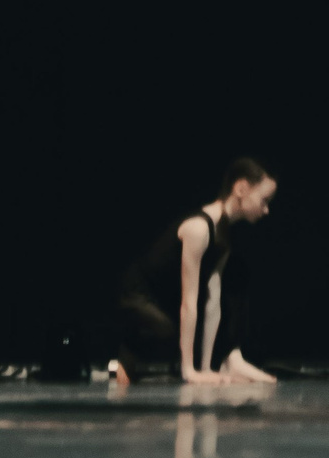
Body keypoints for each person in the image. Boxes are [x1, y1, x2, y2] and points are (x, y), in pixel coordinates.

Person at [115, 158, 281, 384]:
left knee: (236, 278)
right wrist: (189, 370)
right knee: (170, 335)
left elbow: (212, 301)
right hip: (139, 296)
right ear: (241, 188)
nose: (266, 209)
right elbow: (189, 302)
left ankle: (230, 359)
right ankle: (127, 356)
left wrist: (205, 368)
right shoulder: (199, 229)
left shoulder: (223, 235)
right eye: (264, 200)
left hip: (166, 297)